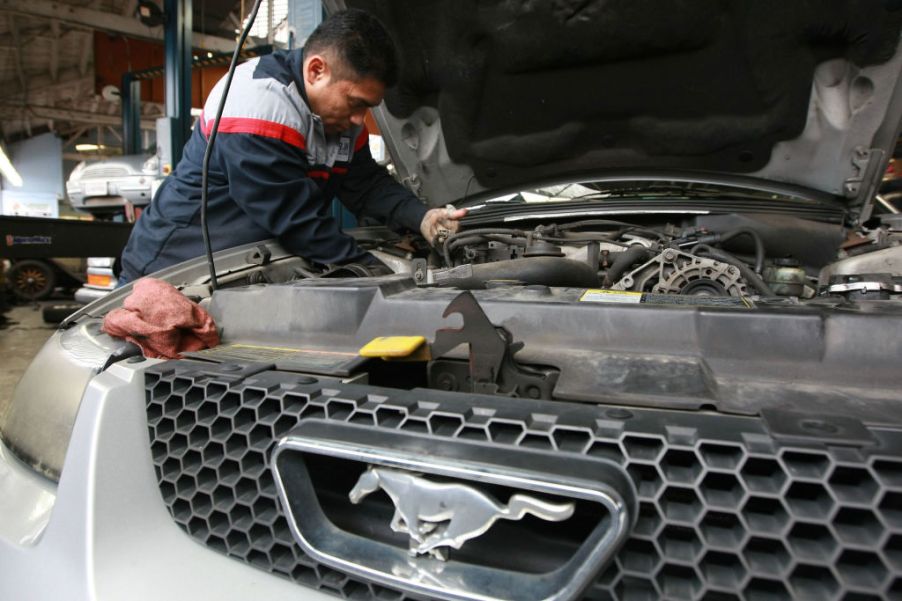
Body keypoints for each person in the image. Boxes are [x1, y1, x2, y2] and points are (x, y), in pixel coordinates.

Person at [118, 9, 465, 284]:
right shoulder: (256, 102)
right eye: (356, 102)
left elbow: (366, 184)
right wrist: (374, 271)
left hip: (247, 269)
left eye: (368, 108)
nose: (361, 120)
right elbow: (295, 219)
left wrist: (421, 217)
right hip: (172, 268)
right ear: (316, 71)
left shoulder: (340, 121)